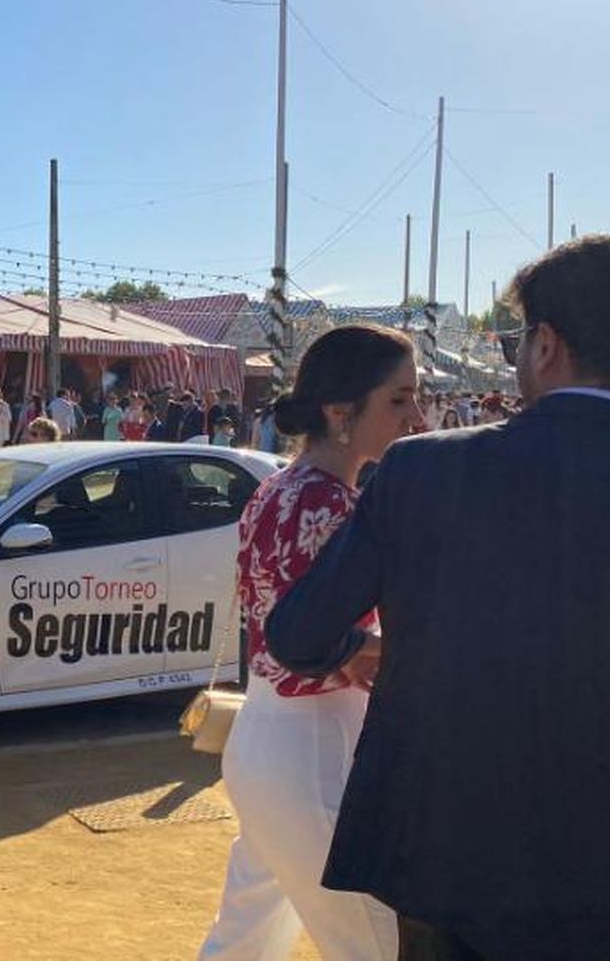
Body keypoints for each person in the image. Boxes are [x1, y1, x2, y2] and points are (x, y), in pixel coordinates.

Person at [264, 235, 610, 961]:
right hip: (603, 887)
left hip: (437, 871)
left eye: (519, 338)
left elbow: (298, 634)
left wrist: (371, 652)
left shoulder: (420, 472)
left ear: (546, 344)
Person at [198, 326, 419, 961]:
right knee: (378, 944)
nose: (416, 417)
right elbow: (325, 646)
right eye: (399, 400)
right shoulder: (329, 505)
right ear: (341, 413)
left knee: (245, 937)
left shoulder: (282, 488)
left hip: (273, 737)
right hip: (314, 746)